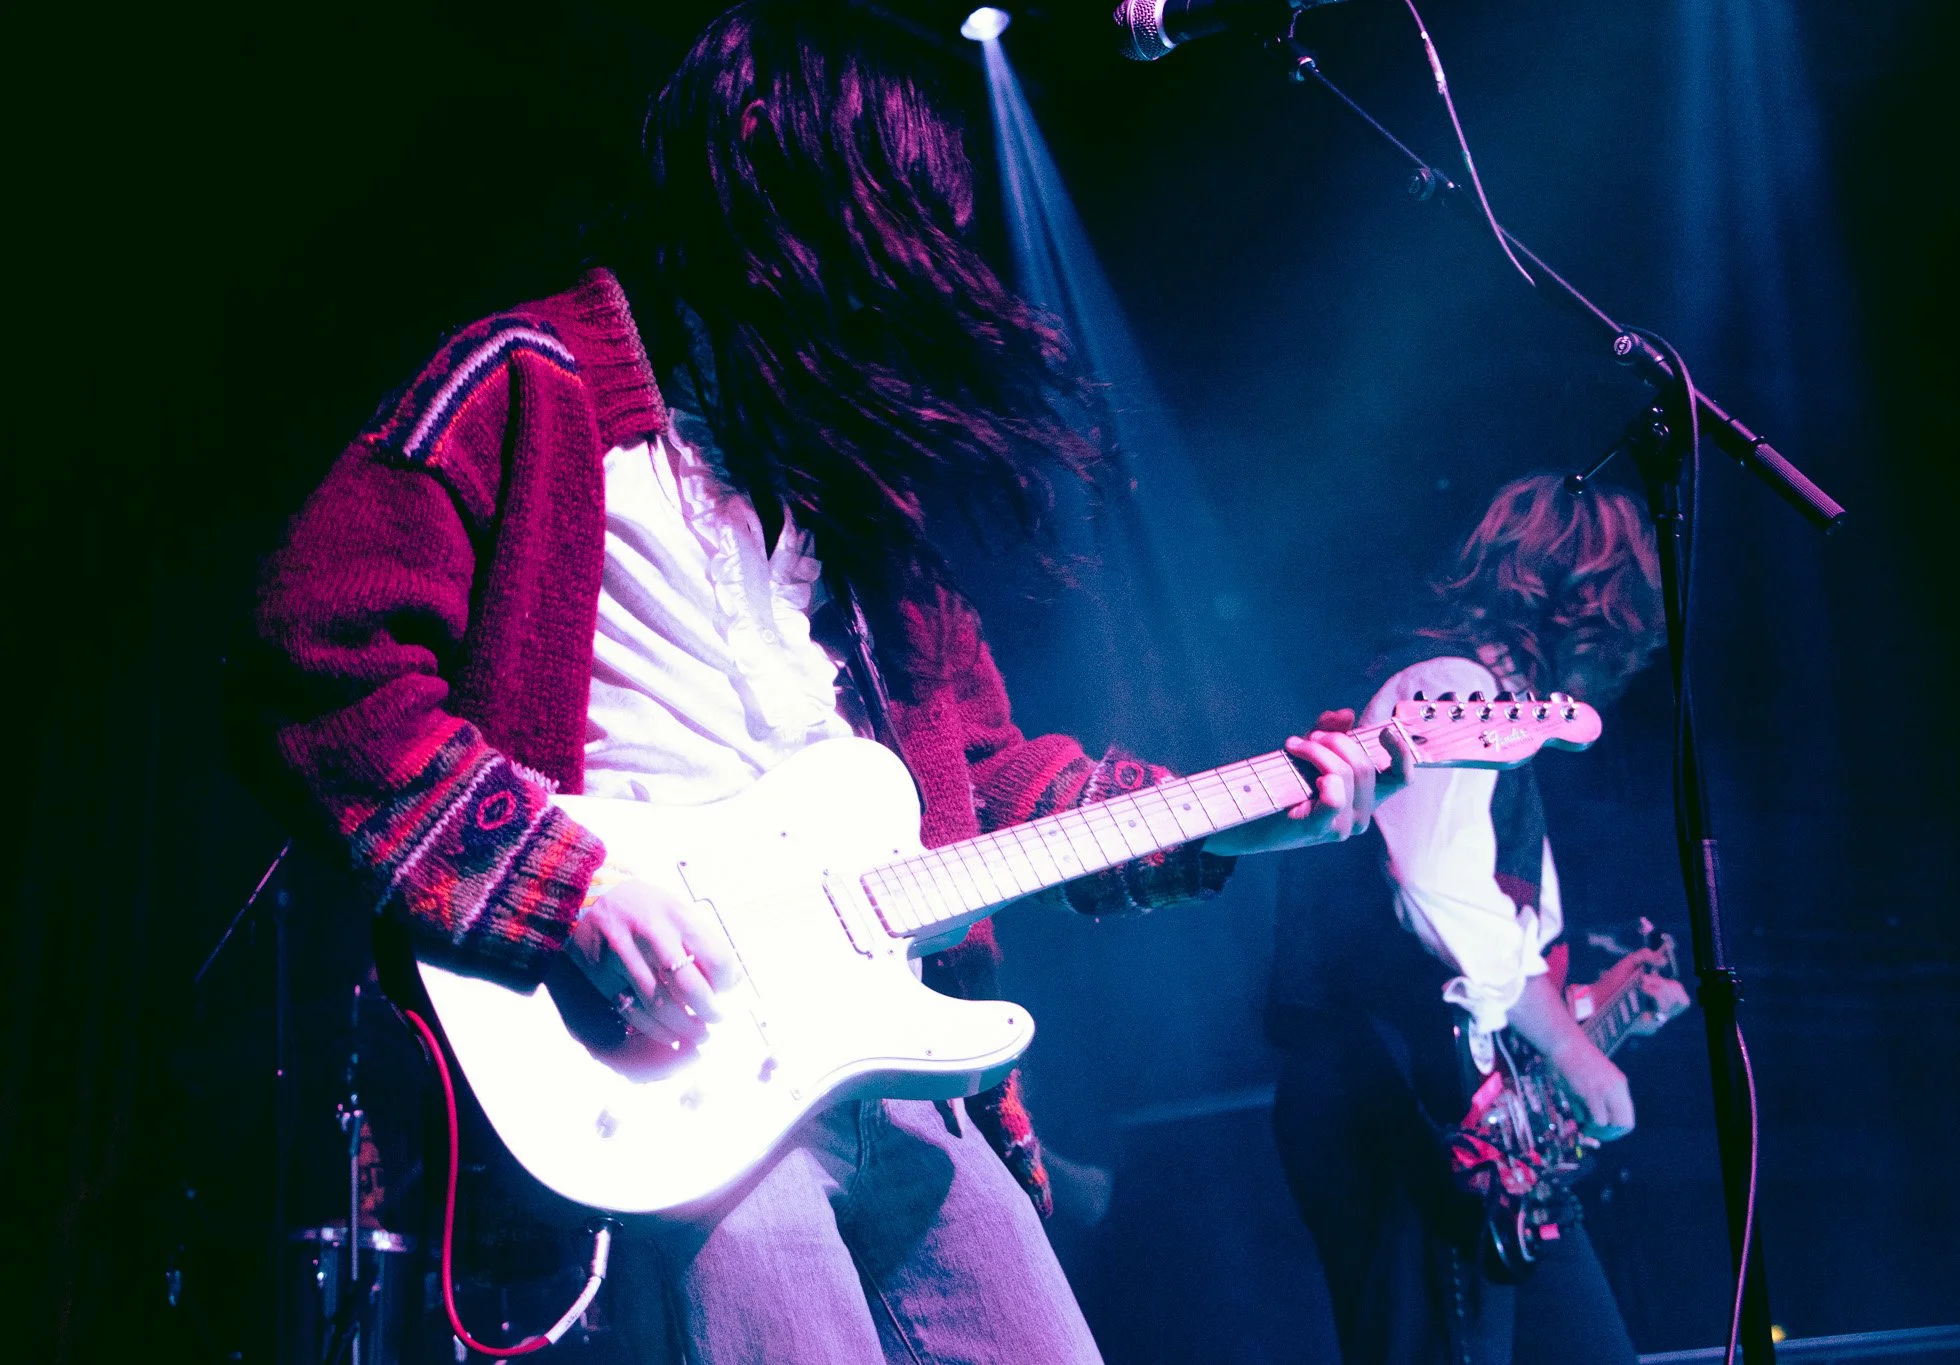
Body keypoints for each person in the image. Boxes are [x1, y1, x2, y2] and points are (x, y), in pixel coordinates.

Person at [231, 5, 1388, 1362]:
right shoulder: (530, 386)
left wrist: (1217, 815)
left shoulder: (860, 493)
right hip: (653, 1064)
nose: (925, 265)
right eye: (901, 218)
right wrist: (567, 878)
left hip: (886, 1068)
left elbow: (986, 778)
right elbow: (313, 648)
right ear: (789, 191)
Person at [1266, 473, 1687, 1365]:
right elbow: (1432, 886)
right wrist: (1573, 1050)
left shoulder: (1506, 727)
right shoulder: (1447, 683)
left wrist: (1595, 1011)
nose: (1640, 650)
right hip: (1398, 1109)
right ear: (1588, 604)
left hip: (1456, 1126)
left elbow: (1506, 957)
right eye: (1633, 619)